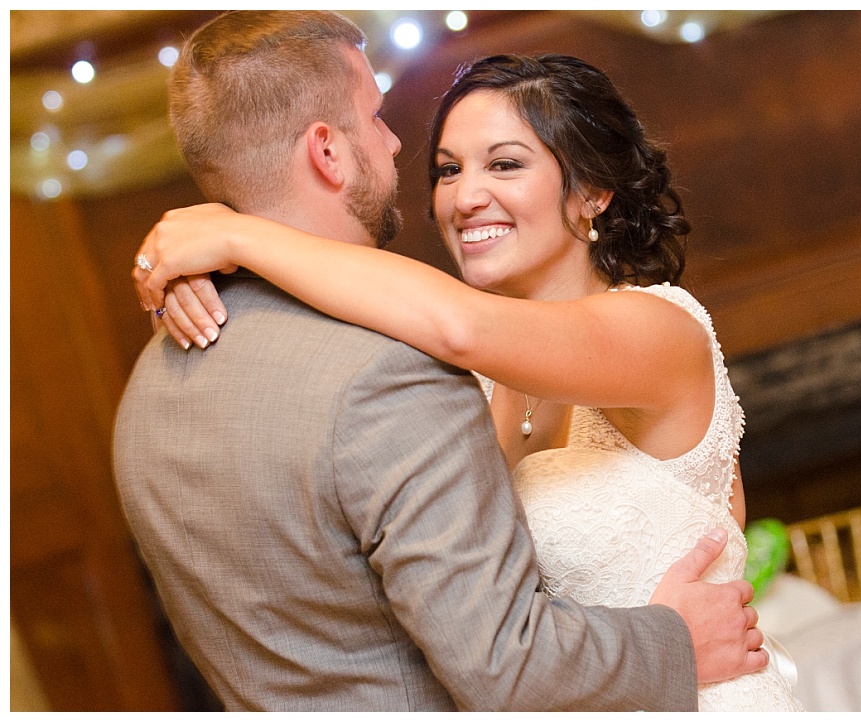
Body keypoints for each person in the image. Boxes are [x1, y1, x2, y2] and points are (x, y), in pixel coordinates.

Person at [114, 11, 771, 712]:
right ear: (327, 152)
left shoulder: (657, 330)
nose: (463, 196)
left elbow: (457, 324)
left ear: (593, 193)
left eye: (505, 164)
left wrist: (234, 232)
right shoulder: (450, 377)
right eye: (449, 169)